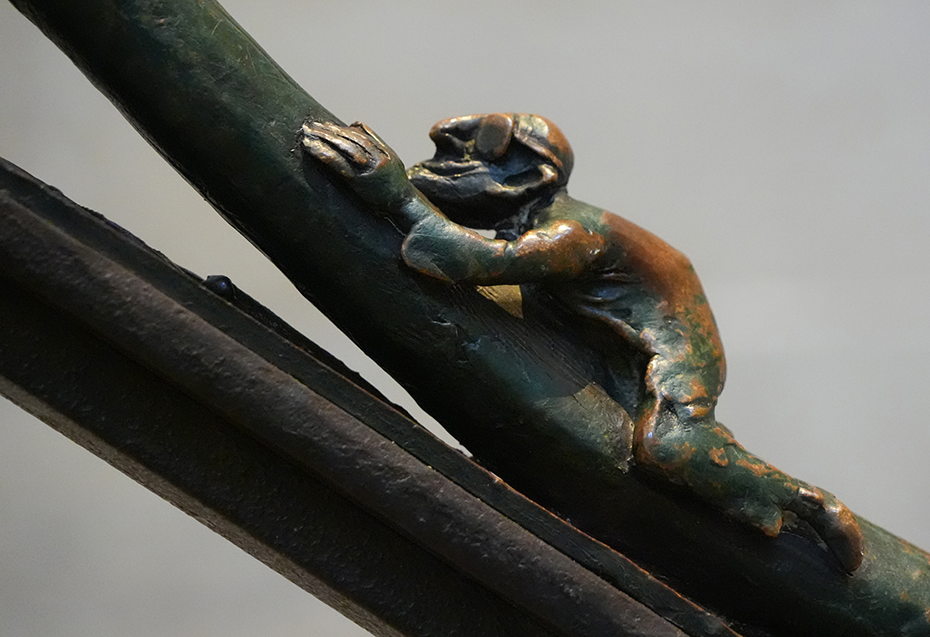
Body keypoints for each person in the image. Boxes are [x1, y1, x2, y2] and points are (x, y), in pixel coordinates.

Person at [301, 113, 863, 572]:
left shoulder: (572, 234)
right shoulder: (540, 226)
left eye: (469, 161)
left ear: (529, 176)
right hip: (602, 332)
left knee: (668, 446)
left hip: (672, 350)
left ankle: (806, 503)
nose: (441, 171)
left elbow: (468, 258)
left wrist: (395, 193)